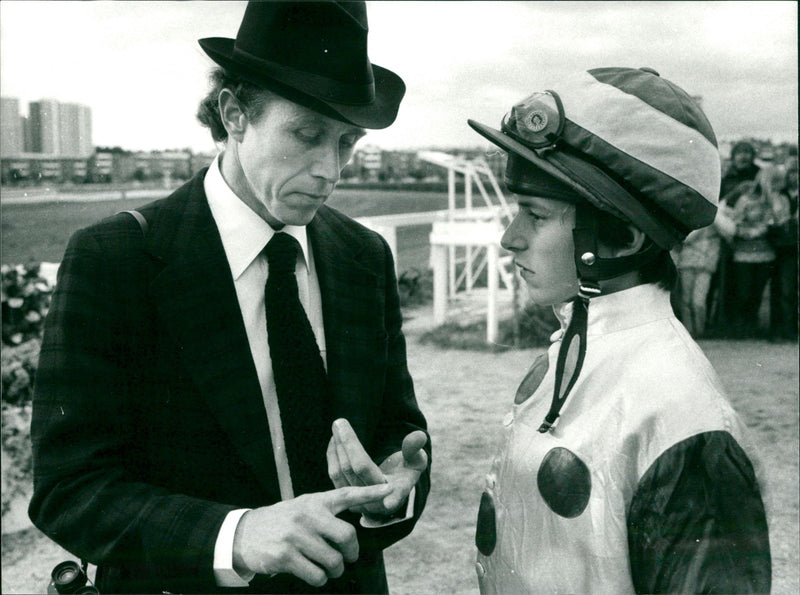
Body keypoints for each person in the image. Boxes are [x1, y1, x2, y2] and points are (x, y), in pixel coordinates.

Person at [29, 3, 430, 593]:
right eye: (307, 134)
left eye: (347, 142)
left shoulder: (363, 256)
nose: (330, 169)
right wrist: (234, 535)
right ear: (235, 114)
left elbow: (397, 425)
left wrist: (394, 486)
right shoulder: (116, 259)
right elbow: (70, 488)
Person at [468, 67, 771, 593]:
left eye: (535, 215)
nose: (509, 238)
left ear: (625, 237)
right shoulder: (571, 353)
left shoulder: (678, 409)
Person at [707, 141, 762, 335]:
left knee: (749, 283)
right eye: (740, 152)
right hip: (726, 236)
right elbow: (718, 202)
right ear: (734, 155)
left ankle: (748, 322)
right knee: (725, 280)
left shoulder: (759, 176)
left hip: (752, 238)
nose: (743, 156)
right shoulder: (726, 176)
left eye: (747, 152)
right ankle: (722, 321)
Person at [721, 170, 778, 338]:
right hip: (744, 253)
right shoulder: (745, 200)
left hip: (765, 253)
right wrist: (752, 232)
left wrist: (761, 229)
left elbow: (771, 221)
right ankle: (740, 327)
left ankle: (752, 326)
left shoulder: (772, 202)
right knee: (743, 291)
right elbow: (736, 223)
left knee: (757, 293)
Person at [768, 153, 799, 340]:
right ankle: (785, 329)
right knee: (784, 289)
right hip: (785, 248)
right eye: (791, 172)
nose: (794, 176)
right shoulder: (779, 196)